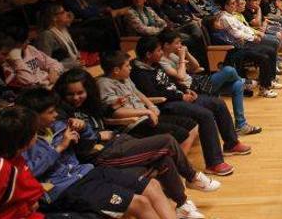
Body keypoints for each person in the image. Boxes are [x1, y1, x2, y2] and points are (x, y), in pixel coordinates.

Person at [16, 88, 178, 219]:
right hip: (65, 188)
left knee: (152, 185)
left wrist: (84, 128)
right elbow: (29, 173)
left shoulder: (59, 126)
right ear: (34, 116)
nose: (56, 115)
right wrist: (59, 148)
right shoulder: (22, 142)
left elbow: (89, 143)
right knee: (139, 203)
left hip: (88, 171)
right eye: (50, 112)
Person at [130, 36, 251, 176]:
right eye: (158, 51)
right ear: (148, 54)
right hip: (166, 104)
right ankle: (214, 163)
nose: (161, 53)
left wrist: (185, 90)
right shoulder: (139, 73)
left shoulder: (155, 64)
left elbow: (171, 82)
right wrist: (181, 96)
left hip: (179, 96)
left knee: (218, 103)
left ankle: (231, 144)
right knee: (205, 115)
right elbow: (154, 93)